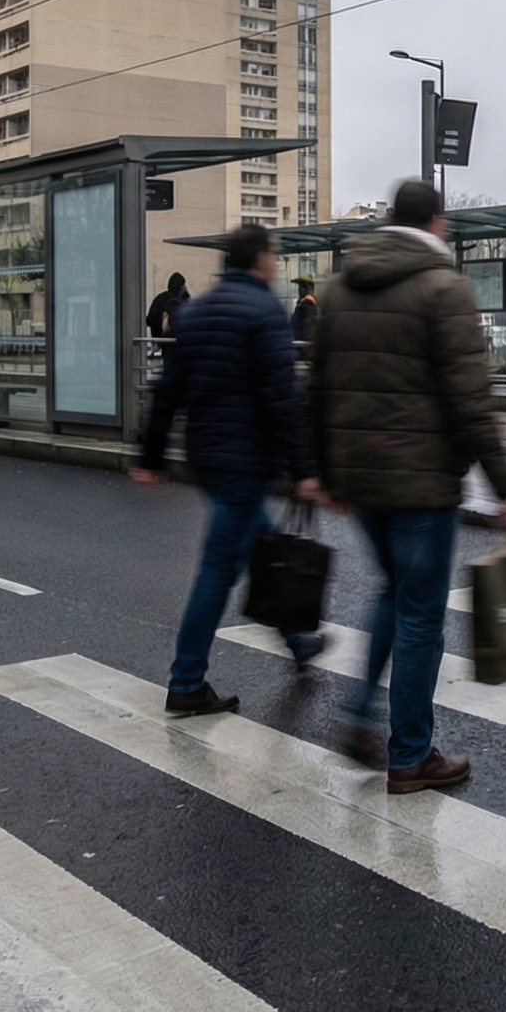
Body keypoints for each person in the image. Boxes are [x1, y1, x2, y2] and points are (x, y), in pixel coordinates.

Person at [309, 180, 506, 794]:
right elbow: (470, 396)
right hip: (423, 482)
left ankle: (357, 714)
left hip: (361, 479)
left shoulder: (340, 288)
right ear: (436, 222)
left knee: (393, 593)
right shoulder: (443, 288)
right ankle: (410, 756)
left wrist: (324, 472)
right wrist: (503, 481)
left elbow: (316, 389)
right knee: (421, 615)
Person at [133, 225, 323, 716]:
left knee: (258, 546)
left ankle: (298, 639)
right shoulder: (265, 314)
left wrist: (151, 455)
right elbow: (283, 400)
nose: (276, 264)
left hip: (209, 458)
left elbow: (166, 390)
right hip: (246, 459)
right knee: (218, 571)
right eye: (274, 256)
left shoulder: (196, 312)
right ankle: (186, 680)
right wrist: (304, 469)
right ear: (259, 259)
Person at [144, 272, 191, 341]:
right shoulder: (175, 301)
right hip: (171, 340)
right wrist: (186, 296)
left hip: (157, 338)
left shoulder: (160, 297)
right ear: (181, 287)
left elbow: (149, 320)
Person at [289, 275, 319, 352]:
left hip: (301, 347)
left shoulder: (308, 304)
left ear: (308, 289)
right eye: (299, 287)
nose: (299, 290)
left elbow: (308, 329)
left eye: (301, 287)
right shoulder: (302, 304)